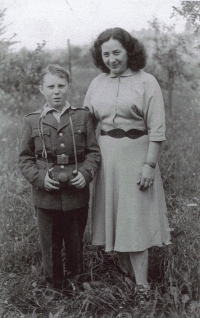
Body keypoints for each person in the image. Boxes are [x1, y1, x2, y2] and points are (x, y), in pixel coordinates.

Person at [83, 27, 171, 305]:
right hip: (107, 160)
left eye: (116, 52)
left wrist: (149, 165)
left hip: (137, 157)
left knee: (134, 221)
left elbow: (157, 130)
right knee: (116, 218)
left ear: (129, 51)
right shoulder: (97, 83)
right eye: (106, 54)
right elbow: (86, 123)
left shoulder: (147, 82)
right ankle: (125, 275)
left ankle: (142, 285)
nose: (111, 59)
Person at [18, 64, 101, 291]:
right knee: (50, 243)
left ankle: (76, 281)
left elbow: (94, 152)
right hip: (46, 194)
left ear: (69, 87)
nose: (56, 91)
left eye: (61, 86)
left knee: (75, 240)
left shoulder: (82, 117)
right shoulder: (32, 120)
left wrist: (86, 173)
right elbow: (24, 159)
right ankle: (54, 286)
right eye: (51, 86)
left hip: (76, 192)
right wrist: (39, 178)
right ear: (41, 89)